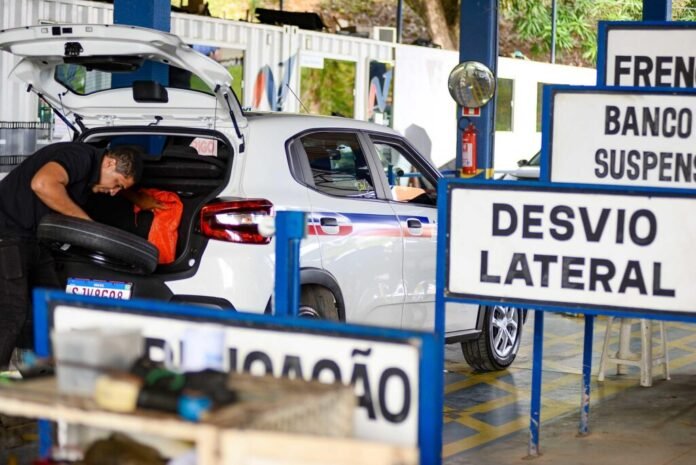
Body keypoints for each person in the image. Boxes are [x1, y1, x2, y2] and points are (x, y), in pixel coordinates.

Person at [0, 142, 154, 369]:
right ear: (109, 163)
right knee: (11, 311)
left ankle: (45, 374)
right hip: (7, 235)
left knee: (53, 307)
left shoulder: (95, 174)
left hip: (34, 239)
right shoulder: (79, 156)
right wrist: (86, 225)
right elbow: (42, 184)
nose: (114, 192)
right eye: (117, 184)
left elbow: (114, 183)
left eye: (120, 189)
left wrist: (137, 199)